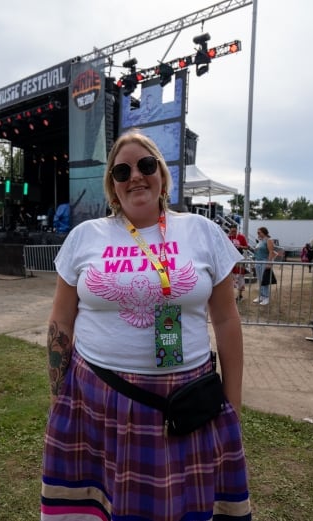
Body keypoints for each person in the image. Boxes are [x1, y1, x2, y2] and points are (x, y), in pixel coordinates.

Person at [41, 132, 252, 520]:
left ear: (162, 175)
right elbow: (61, 320)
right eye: (123, 170)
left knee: (178, 508)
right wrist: (60, 399)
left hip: (185, 405)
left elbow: (225, 319)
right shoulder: (85, 237)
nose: (135, 176)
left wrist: (232, 406)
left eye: (146, 165)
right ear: (112, 184)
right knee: (96, 505)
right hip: (96, 400)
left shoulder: (203, 232)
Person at [253, 226, 276, 306]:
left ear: (264, 232)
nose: (258, 234)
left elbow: (271, 252)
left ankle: (266, 297)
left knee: (264, 280)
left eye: (259, 232)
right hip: (258, 261)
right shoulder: (260, 241)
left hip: (264, 261)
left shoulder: (268, 240)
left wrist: (269, 263)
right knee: (260, 280)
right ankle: (261, 296)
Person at [228, 226, 250, 302]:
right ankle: (230, 296)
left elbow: (247, 247)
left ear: (237, 230)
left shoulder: (241, 237)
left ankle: (240, 295)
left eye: (234, 231)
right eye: (232, 231)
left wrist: (241, 246)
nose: (233, 233)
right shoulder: (228, 237)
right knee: (231, 277)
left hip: (239, 259)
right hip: (231, 259)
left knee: (240, 276)